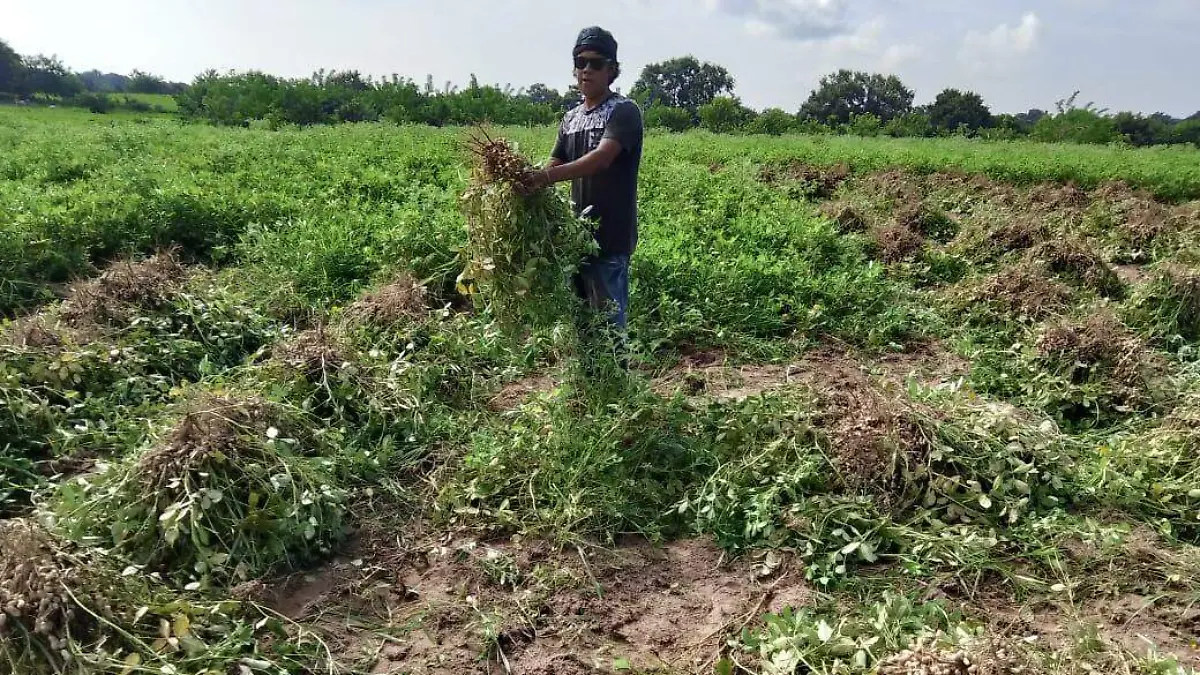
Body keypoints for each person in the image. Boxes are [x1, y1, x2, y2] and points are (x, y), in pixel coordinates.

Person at [524, 26, 644, 337]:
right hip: (576, 238)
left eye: (596, 63)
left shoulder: (624, 112)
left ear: (612, 71)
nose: (586, 70)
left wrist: (543, 177)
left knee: (608, 328)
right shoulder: (571, 118)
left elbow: (601, 159)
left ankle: (614, 385)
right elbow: (556, 160)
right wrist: (524, 178)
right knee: (582, 327)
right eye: (580, 62)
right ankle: (588, 385)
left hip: (610, 238)